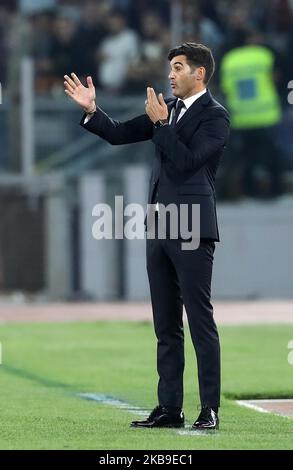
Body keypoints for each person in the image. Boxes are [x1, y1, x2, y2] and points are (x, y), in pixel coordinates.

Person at [64, 42, 230, 430]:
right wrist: (92, 110)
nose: (169, 75)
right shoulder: (167, 110)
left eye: (177, 67)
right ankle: (170, 408)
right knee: (166, 324)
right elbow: (120, 134)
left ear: (199, 74)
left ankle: (210, 409)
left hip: (192, 226)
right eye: (170, 68)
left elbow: (189, 161)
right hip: (160, 225)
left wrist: (160, 126)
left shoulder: (216, 117)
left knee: (200, 321)